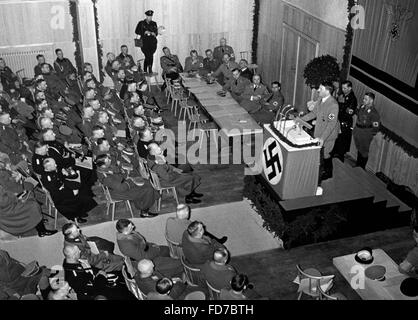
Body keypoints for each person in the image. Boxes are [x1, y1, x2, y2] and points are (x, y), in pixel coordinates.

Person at [95, 154, 159, 217]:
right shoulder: (106, 178)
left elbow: (118, 176)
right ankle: (144, 211)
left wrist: (126, 175)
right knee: (148, 189)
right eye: (108, 160)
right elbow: (121, 188)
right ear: (103, 165)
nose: (110, 160)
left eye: (108, 158)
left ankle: (146, 202)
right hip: (117, 193)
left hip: (121, 185)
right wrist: (131, 181)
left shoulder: (104, 168)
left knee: (145, 181)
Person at [62, 244, 135, 300]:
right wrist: (102, 277)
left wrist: (99, 271)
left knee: (122, 281)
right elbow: (90, 289)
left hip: (99, 280)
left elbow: (90, 268)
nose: (80, 251)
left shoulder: (76, 261)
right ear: (73, 256)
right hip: (98, 292)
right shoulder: (72, 275)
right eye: (78, 251)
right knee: (122, 292)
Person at [300, 82, 340, 183]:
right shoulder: (320, 100)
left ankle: (327, 172)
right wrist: (301, 120)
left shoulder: (333, 105)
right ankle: (321, 170)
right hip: (319, 130)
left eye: (321, 89)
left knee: (326, 154)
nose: (318, 90)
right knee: (320, 153)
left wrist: (322, 138)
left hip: (328, 135)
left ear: (327, 91)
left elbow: (331, 124)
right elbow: (314, 113)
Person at [116, 219, 183, 277]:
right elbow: (143, 257)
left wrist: (152, 245)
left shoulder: (126, 235)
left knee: (167, 250)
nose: (133, 226)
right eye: (131, 227)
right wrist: (156, 250)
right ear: (125, 231)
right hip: (146, 261)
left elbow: (141, 243)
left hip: (147, 250)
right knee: (177, 264)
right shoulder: (127, 246)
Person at [40, 158, 97, 223]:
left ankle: (81, 211)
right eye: (54, 165)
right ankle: (76, 216)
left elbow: (60, 179)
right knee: (81, 194)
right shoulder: (47, 178)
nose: (56, 165)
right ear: (48, 167)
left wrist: (64, 174)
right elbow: (55, 191)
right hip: (60, 198)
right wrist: (72, 191)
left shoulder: (51, 170)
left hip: (63, 188)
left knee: (83, 186)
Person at [331, 80, 358, 162]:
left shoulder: (352, 99)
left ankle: (340, 156)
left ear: (350, 88)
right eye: (342, 87)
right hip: (338, 120)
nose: (343, 89)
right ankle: (335, 153)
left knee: (343, 140)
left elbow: (350, 112)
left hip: (345, 122)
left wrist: (342, 104)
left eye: (345, 88)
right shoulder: (342, 95)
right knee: (337, 138)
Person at [352, 92, 380, 169]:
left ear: (371, 101)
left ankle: (361, 167)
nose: (363, 100)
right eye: (363, 98)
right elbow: (359, 115)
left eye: (366, 99)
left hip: (366, 133)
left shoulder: (374, 113)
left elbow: (376, 126)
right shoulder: (362, 106)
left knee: (364, 150)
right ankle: (358, 164)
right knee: (359, 148)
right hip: (358, 130)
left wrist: (371, 134)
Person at [135, 10, 159, 74]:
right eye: (148, 16)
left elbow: (156, 32)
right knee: (148, 55)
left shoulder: (154, 23)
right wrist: (144, 32)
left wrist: (154, 33)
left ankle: (146, 69)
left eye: (151, 16)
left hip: (152, 42)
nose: (150, 18)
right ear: (146, 16)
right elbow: (136, 31)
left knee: (150, 55)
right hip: (144, 42)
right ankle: (149, 69)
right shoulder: (141, 23)